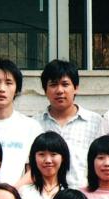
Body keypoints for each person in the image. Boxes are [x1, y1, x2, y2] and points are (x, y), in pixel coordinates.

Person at [36, 58, 103, 189]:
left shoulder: (95, 122)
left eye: (65, 84)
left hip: (84, 195)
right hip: (45, 194)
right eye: (53, 85)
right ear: (45, 90)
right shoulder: (35, 124)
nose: (59, 90)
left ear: (76, 88)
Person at [19, 131, 70, 199]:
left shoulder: (71, 193)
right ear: (34, 158)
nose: (48, 160)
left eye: (53, 154)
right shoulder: (23, 193)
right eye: (42, 154)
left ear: (63, 157)